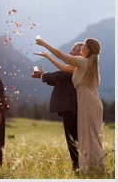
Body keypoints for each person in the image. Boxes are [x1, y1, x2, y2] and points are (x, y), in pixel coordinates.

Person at [35, 37, 105, 176]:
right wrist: (47, 56)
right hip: (91, 99)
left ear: (88, 49)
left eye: (83, 46)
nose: (81, 49)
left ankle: (92, 168)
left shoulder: (82, 61)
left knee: (88, 135)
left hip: (87, 100)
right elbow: (63, 68)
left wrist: (44, 43)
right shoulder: (88, 62)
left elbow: (61, 56)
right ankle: (94, 168)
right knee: (89, 135)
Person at [32, 42, 83, 171]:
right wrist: (43, 76)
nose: (70, 52)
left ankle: (77, 166)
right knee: (74, 138)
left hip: (71, 107)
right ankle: (78, 165)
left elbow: (61, 75)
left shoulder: (77, 66)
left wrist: (42, 75)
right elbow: (61, 79)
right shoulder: (74, 67)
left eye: (73, 50)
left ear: (80, 52)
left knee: (72, 138)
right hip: (72, 107)